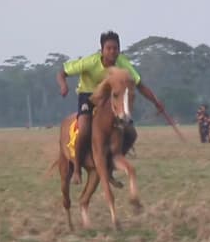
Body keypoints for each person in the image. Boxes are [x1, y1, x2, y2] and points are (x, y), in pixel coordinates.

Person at [57, 30, 165, 185]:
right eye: (108, 48)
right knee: (85, 127)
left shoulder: (123, 63)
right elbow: (62, 73)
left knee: (131, 133)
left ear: (119, 50)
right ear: (102, 50)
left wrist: (156, 101)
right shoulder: (90, 62)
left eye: (115, 48)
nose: (112, 52)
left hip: (110, 98)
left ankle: (110, 166)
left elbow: (139, 85)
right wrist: (63, 85)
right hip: (88, 96)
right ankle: (77, 169)